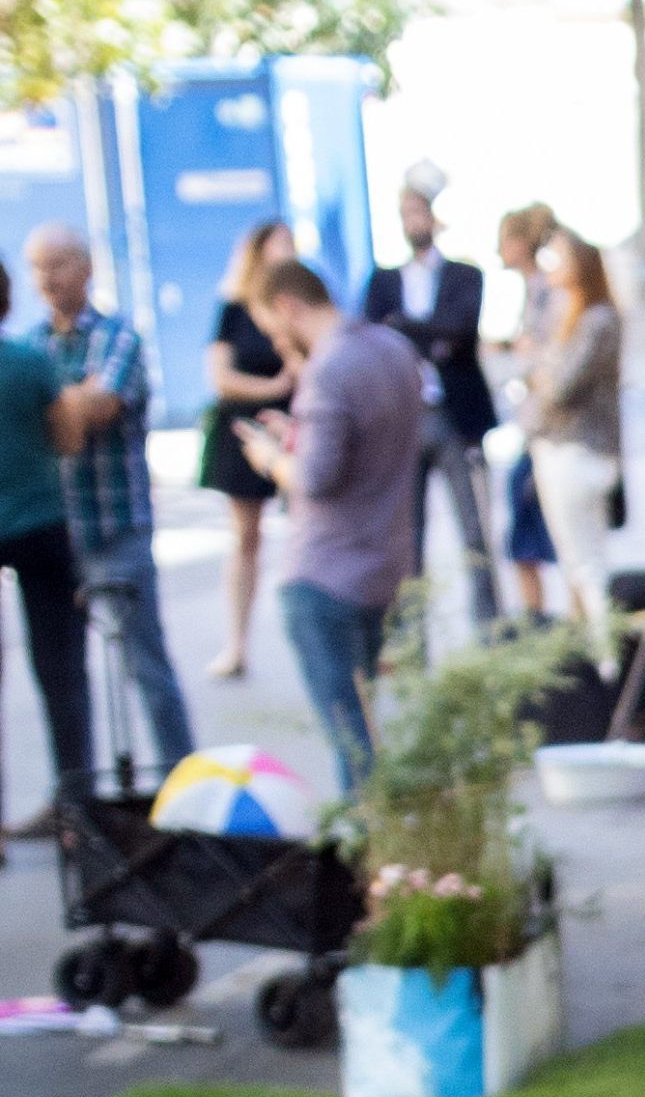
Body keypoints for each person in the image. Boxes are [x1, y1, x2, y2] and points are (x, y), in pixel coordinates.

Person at [233, 257, 424, 791]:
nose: (278, 345)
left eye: (274, 330)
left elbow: (316, 478)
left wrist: (272, 458)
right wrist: (301, 433)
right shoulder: (393, 349)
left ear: (288, 307)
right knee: (365, 736)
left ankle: (368, 863)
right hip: (383, 568)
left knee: (352, 747)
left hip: (325, 575)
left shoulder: (329, 366)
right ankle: (384, 857)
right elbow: (368, 449)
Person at [18, 224, 196, 786]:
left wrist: (57, 406)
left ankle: (183, 787)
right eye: (38, 268)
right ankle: (76, 800)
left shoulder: (119, 336)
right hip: (58, 535)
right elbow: (71, 410)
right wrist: (71, 401)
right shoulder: (30, 346)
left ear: (86, 267)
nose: (48, 279)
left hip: (117, 526)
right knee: (63, 680)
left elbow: (96, 407)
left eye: (58, 265)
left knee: (148, 668)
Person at [359, 179, 502, 630]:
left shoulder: (464, 274)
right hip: (404, 418)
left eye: (418, 212)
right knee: (408, 536)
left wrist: (405, 326)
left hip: (455, 416)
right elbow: (375, 334)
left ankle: (489, 630)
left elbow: (458, 331)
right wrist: (428, 334)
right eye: (405, 214)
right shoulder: (383, 280)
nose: (412, 223)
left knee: (474, 530)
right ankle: (412, 639)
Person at [0, 257, 99, 837]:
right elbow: (68, 440)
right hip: (39, 527)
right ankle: (77, 813)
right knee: (61, 671)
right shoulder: (31, 363)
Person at [195, 219, 298, 683]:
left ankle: (314, 637)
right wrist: (273, 385)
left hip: (294, 428)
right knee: (246, 539)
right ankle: (237, 644)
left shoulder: (297, 306)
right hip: (242, 430)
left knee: (311, 532)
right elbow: (220, 377)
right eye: (280, 247)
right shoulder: (233, 308)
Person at [520, 230, 623, 645]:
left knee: (586, 565)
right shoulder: (570, 313)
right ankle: (596, 657)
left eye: (559, 258)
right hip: (568, 449)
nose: (551, 267)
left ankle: (607, 660)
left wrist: (539, 367)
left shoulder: (596, 319)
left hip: (576, 450)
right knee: (580, 562)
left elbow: (558, 386)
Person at [488, 202, 561, 619]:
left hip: (544, 431)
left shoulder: (546, 291)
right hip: (534, 427)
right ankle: (536, 619)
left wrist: (524, 355)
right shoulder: (534, 290)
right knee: (528, 538)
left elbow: (546, 357)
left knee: (536, 538)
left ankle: (540, 622)